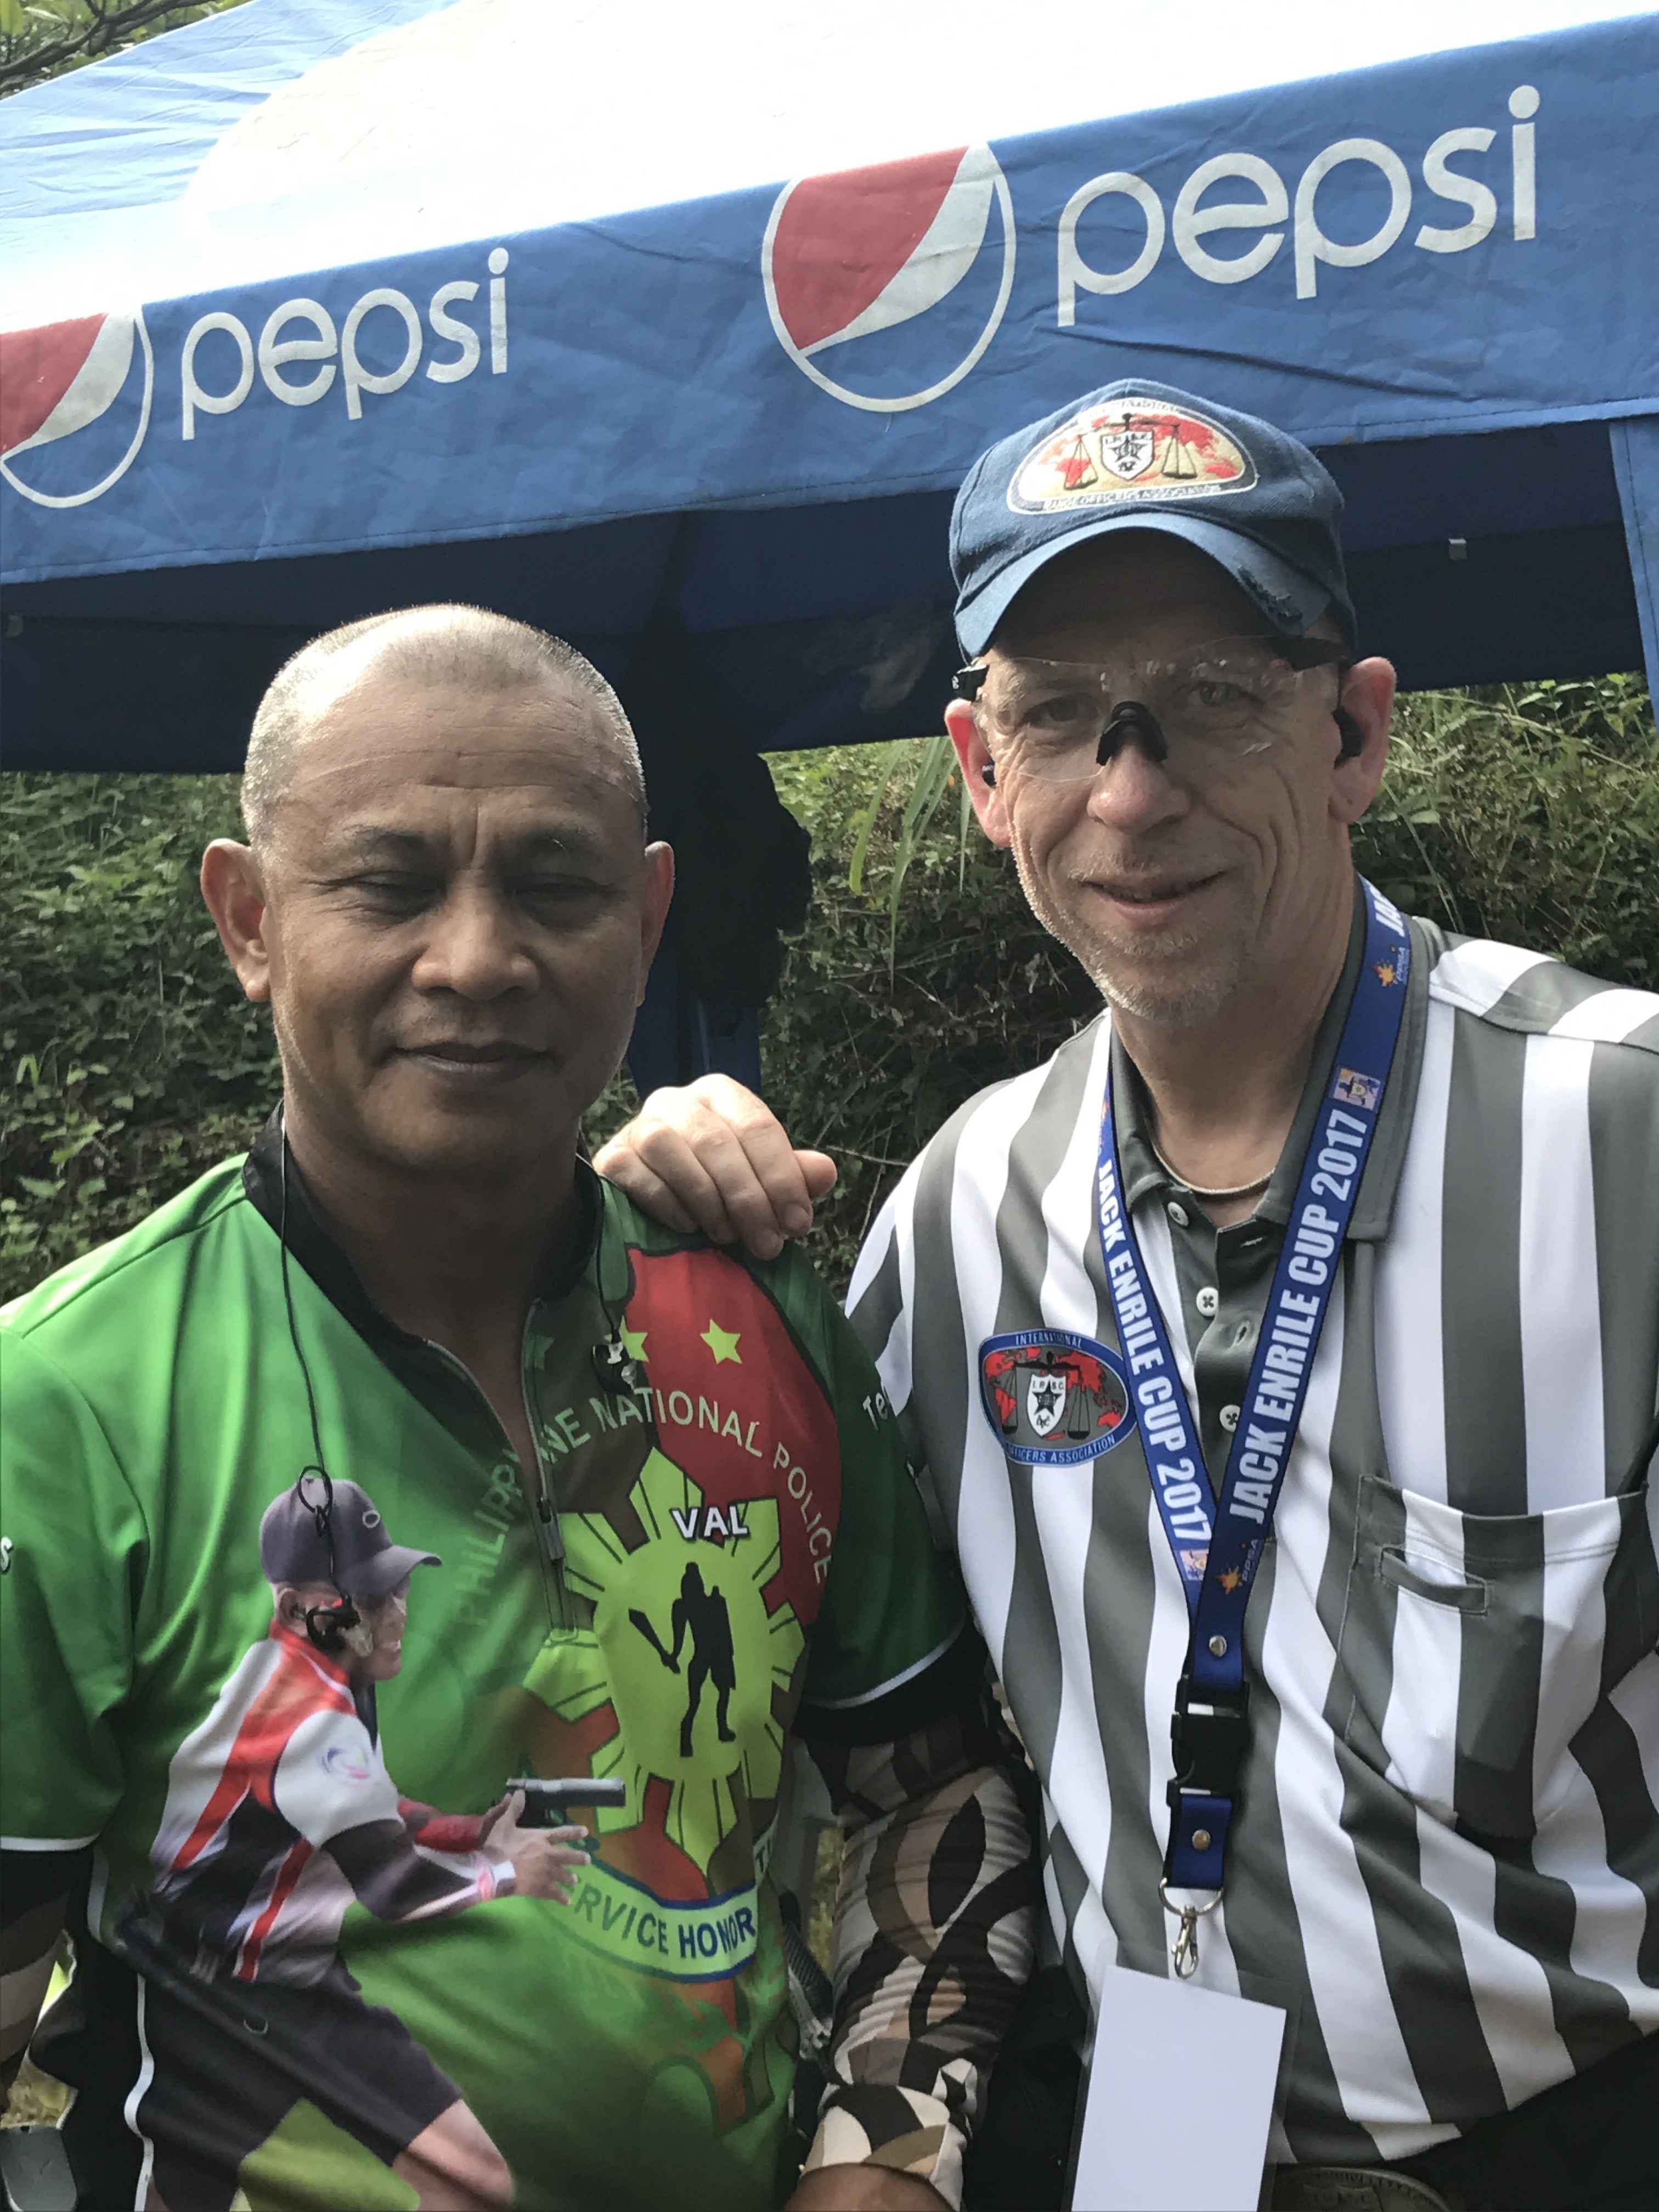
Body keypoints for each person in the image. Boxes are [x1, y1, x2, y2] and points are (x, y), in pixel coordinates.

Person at [596, 380, 1659, 2212]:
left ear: (1355, 732)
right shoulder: (952, 1220)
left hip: (1572, 2140)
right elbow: (776, 1664)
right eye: (1060, 717)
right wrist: (628, 1243)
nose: (1134, 790)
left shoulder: (1617, 1133)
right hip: (1163, 2134)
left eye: (1217, 699)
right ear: (978, 769)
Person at [0, 606, 1036, 2212]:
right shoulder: (66, 1404)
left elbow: (939, 1789)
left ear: (649, 918)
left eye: (556, 887)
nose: (478, 959)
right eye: (391, 884)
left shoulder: (763, 1322)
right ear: (250, 919)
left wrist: (890, 2154)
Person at [117, 1475, 586, 2212]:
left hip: (292, 1978)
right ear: (292, 1609)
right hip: (218, 1996)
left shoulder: (306, 1670)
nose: (396, 1611)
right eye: (367, 1597)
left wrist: (472, 1830)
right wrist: (505, 1870)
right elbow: (393, 1887)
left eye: (395, 1585)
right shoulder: (313, 1718)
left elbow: (374, 1806)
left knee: (477, 2181)